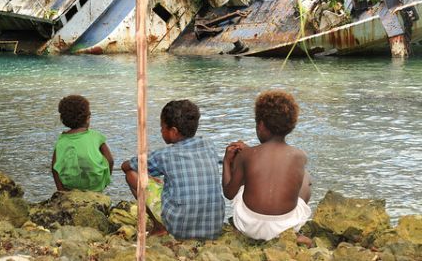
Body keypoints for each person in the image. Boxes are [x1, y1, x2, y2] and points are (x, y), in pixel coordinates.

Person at [121, 100, 225, 239]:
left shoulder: (164, 155)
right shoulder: (209, 146)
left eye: (162, 127)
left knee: (131, 175)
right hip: (214, 227)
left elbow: (127, 166)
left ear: (174, 131)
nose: (161, 131)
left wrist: (145, 172)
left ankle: (160, 227)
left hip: (179, 227)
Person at [223, 90, 312, 243]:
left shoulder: (247, 154)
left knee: (246, 181)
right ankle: (292, 235)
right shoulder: (300, 156)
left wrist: (226, 161)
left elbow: (229, 193)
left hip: (249, 225)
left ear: (261, 125)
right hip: (285, 226)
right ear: (290, 126)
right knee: (306, 178)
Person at [51, 95, 114, 192]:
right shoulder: (96, 136)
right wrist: (105, 181)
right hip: (96, 185)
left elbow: (55, 168)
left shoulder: (61, 141)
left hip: (70, 187)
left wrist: (61, 190)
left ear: (63, 119)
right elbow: (110, 160)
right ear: (88, 117)